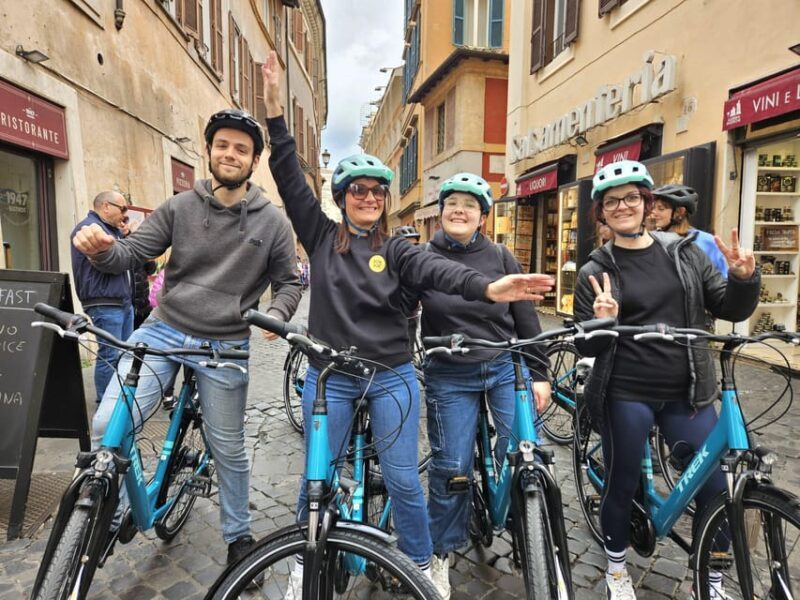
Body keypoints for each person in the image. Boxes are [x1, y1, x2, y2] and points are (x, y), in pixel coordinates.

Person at [260, 50, 553, 593]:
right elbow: (287, 175)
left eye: (377, 192)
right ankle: (304, 562)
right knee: (316, 476)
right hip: (330, 376)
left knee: (402, 480)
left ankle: (418, 564)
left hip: (391, 375)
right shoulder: (321, 237)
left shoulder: (397, 248)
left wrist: (488, 287)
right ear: (342, 198)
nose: (369, 198)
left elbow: (438, 270)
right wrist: (275, 111)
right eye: (358, 190)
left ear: (385, 200)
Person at [72, 107, 302, 566]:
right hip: (165, 329)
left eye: (241, 149)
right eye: (223, 145)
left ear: (254, 160)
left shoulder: (273, 222)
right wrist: (100, 251)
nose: (230, 154)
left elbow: (289, 282)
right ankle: (116, 509)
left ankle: (239, 537)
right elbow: (130, 254)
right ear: (209, 151)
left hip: (226, 343)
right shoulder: (179, 207)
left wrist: (277, 314)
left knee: (228, 448)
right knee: (106, 425)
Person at [573, 160, 759, 600]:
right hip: (626, 391)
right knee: (622, 483)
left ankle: (710, 581)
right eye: (611, 202)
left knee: (716, 487)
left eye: (631, 198)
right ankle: (617, 568)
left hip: (687, 390)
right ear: (601, 212)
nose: (622, 207)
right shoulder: (593, 271)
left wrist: (743, 278)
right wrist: (602, 322)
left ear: (646, 203)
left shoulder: (685, 253)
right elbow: (585, 346)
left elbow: (729, 307)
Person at [413, 172, 553, 599]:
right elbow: (400, 311)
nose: (459, 210)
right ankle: (441, 551)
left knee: (523, 451)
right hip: (450, 373)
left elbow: (525, 319)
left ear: (482, 217)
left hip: (503, 367)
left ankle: (525, 527)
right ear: (441, 212)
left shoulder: (501, 256)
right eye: (452, 203)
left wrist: (539, 374)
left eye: (469, 205)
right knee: (452, 467)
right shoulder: (423, 257)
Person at [70, 191, 135, 404]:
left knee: (124, 355)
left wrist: (125, 237)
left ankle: (117, 402)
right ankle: (106, 405)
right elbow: (112, 264)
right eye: (122, 209)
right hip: (106, 302)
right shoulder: (90, 229)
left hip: (121, 301)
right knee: (110, 355)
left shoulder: (111, 230)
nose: (125, 215)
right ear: (106, 206)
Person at [650, 183, 729, 277]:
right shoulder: (652, 239)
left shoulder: (706, 241)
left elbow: (721, 279)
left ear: (680, 211)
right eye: (653, 208)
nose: (653, 212)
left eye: (661, 209)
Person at [119, 217, 157, 328]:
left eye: (125, 222)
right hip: (125, 306)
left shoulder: (137, 243)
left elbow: (150, 270)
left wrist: (150, 258)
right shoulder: (115, 243)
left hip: (143, 305)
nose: (123, 225)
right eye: (120, 222)